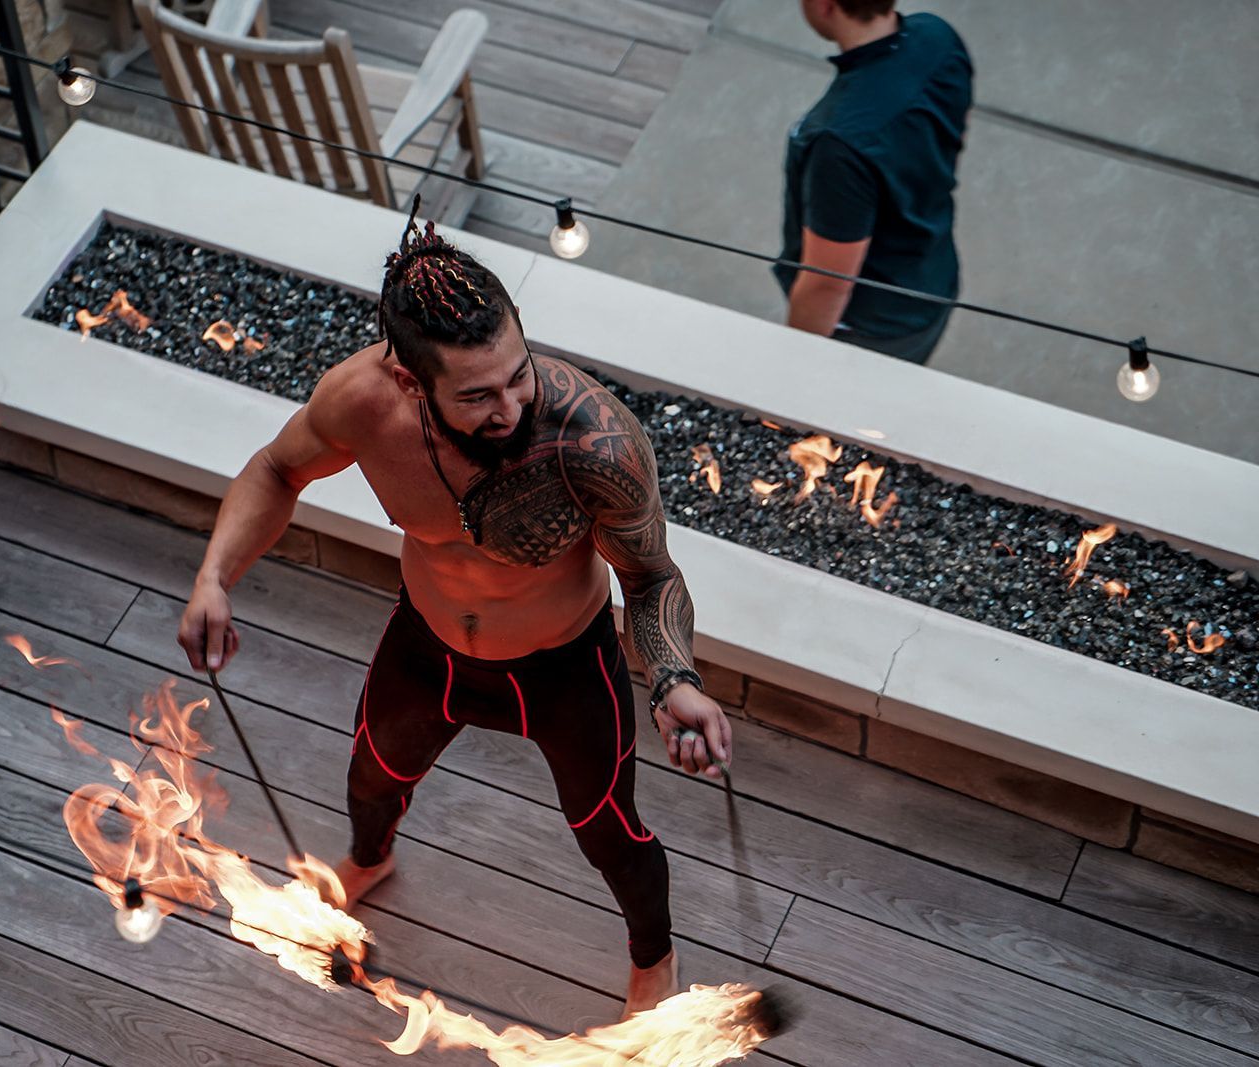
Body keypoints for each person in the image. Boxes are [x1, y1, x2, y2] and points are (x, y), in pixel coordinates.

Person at [178, 215, 733, 1018]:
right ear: (410, 380)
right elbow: (276, 468)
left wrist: (675, 680)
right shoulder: (364, 402)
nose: (510, 405)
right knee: (371, 775)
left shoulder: (595, 443)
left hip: (563, 664)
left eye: (518, 374)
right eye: (478, 394)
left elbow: (649, 579)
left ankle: (655, 953)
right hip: (429, 644)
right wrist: (214, 576)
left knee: (607, 829)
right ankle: (369, 860)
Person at [775, 0, 973, 364]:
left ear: (825, 5)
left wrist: (795, 366)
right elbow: (946, 137)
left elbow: (827, 284)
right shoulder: (938, 37)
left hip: (869, 326)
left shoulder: (838, 143)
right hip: (933, 279)